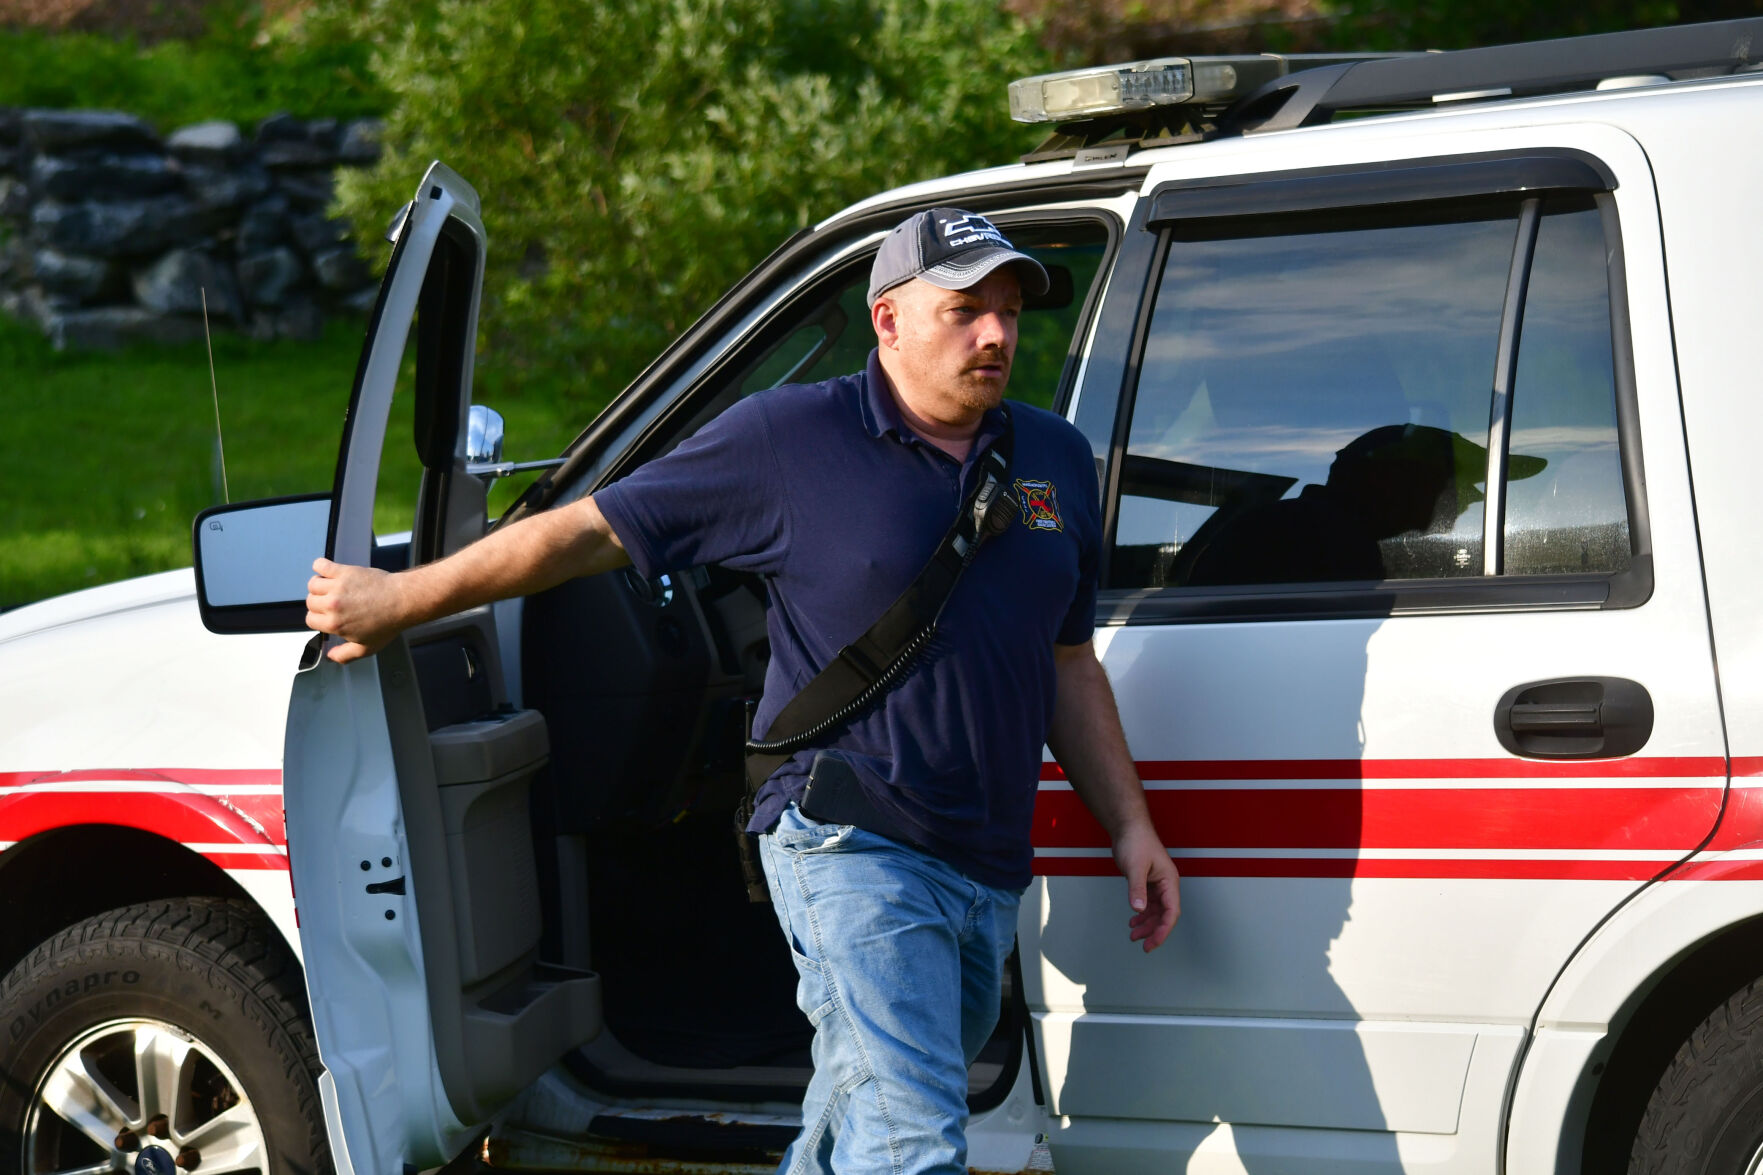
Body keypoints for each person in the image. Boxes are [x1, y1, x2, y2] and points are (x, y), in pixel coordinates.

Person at [305, 207, 1181, 1175]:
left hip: (984, 858)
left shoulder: (1050, 454)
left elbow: (1065, 660)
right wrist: (403, 597)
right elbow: (587, 530)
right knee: (910, 1138)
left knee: (857, 1107)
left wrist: (1127, 823)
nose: (996, 336)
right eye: (965, 309)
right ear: (885, 319)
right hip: (854, 835)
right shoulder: (788, 438)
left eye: (1010, 312)